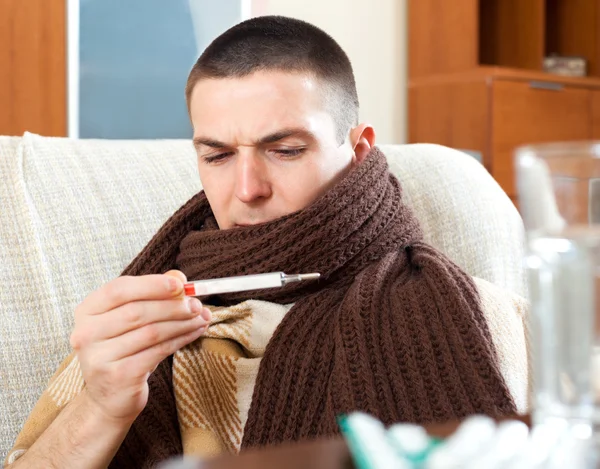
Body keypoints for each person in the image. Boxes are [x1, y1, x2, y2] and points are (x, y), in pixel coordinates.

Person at [5, 15, 528, 469]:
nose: (248, 189)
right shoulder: (141, 323)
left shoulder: (480, 312)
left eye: (285, 150)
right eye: (217, 156)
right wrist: (103, 403)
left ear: (359, 149)